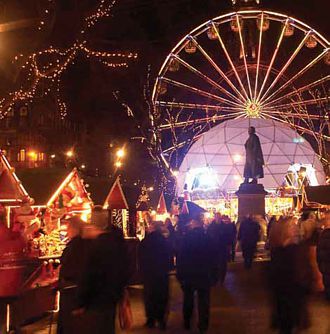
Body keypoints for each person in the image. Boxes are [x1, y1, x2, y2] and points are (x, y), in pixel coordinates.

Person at [75, 207, 130, 334]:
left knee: (99, 326)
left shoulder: (96, 246)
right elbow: (125, 265)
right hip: (112, 294)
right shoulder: (116, 242)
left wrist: (81, 301)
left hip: (97, 297)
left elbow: (89, 274)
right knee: (109, 325)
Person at [269, 217, 310, 333]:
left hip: (296, 296)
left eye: (295, 225)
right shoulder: (279, 251)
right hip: (285, 299)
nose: (295, 228)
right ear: (284, 231)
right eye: (291, 226)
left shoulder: (298, 248)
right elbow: (275, 276)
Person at [177, 216, 217, 334]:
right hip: (204, 274)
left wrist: (180, 275)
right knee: (204, 300)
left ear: (193, 224)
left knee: (188, 298)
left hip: (189, 274)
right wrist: (214, 275)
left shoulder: (186, 239)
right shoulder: (208, 238)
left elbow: (181, 258)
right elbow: (213, 258)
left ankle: (187, 321)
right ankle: (203, 325)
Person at [57, 216, 89, 334]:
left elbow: (69, 264)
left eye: (69, 228)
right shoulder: (84, 244)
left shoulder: (74, 246)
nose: (67, 231)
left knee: (70, 323)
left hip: (72, 289)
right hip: (77, 288)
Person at [138, 221, 171, 330]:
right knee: (161, 296)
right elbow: (169, 256)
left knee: (150, 296)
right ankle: (161, 319)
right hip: (161, 273)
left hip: (149, 273)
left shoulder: (145, 242)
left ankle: (150, 319)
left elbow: (140, 257)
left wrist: (142, 271)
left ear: (152, 229)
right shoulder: (164, 241)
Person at [207, 213, 228, 284]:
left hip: (222, 248)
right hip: (213, 248)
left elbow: (228, 236)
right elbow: (208, 237)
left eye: (219, 217)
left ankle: (221, 278)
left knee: (222, 264)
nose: (218, 219)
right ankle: (215, 278)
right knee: (214, 264)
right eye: (217, 217)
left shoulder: (224, 226)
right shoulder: (211, 227)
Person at [317, 212, 330, 300]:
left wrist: (319, 264)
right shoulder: (323, 234)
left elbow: (318, 251)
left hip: (325, 265)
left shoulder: (323, 234)